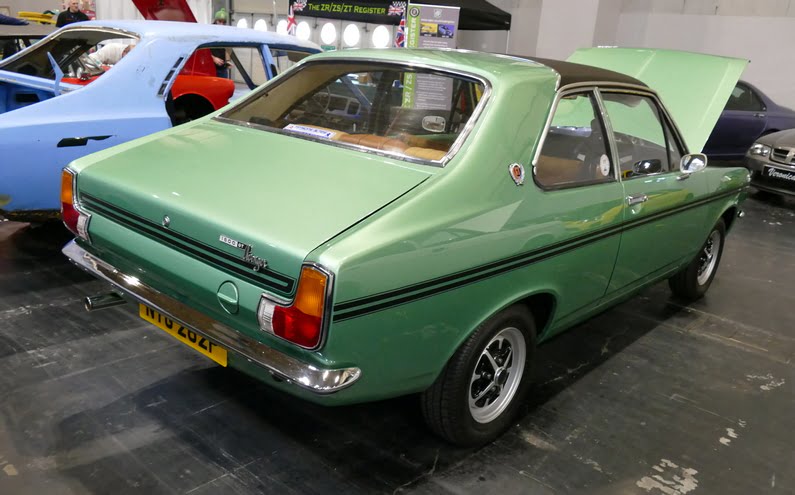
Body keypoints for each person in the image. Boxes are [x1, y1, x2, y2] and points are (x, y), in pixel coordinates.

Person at [211, 9, 230, 78]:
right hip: (210, 67)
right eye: (219, 21)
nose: (221, 24)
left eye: (224, 22)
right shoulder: (209, 31)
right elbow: (203, 50)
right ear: (216, 21)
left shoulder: (225, 32)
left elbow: (228, 47)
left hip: (222, 68)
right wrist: (213, 58)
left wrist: (227, 60)